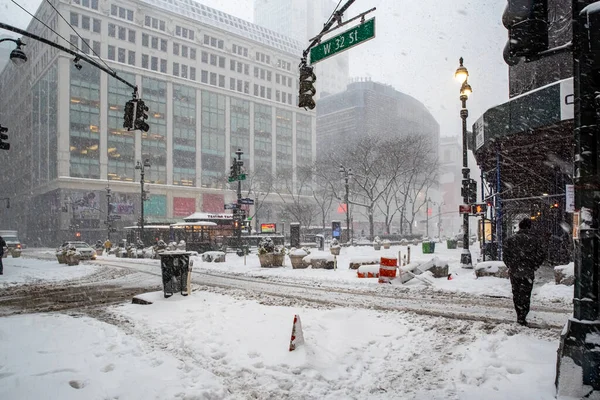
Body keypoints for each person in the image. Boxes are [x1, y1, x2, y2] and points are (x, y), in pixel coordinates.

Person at [502, 217, 546, 326]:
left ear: (520, 226)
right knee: (526, 294)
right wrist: (534, 266)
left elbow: (505, 256)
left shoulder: (510, 240)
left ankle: (519, 314)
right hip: (528, 271)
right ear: (529, 227)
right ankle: (523, 314)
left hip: (515, 271)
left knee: (516, 293)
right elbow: (541, 255)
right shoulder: (535, 240)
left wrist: (511, 265)